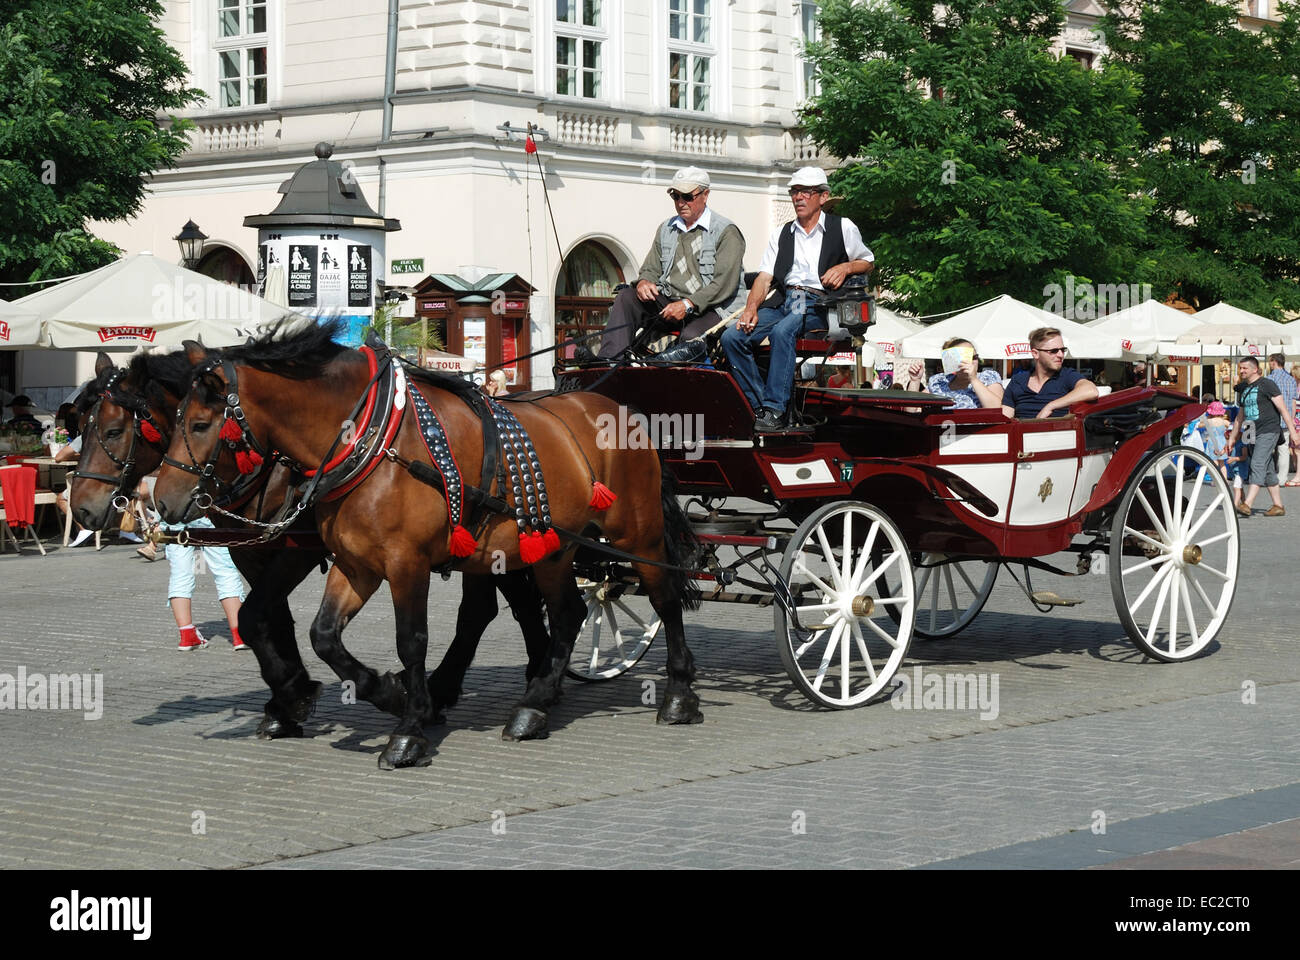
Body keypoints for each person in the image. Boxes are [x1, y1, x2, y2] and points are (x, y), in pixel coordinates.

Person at [722, 166, 874, 431]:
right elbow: (764, 278)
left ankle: (776, 409)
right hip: (783, 301)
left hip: (819, 304)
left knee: (783, 331)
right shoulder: (781, 233)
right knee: (731, 337)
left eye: (805, 192)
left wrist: (845, 267)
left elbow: (867, 261)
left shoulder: (843, 227)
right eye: (794, 191)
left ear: (823, 197)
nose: (797, 197)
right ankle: (760, 407)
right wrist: (750, 308)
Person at [595, 166, 745, 359]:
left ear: (705, 194)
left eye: (687, 196)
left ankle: (671, 379)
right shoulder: (666, 228)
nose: (681, 202)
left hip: (714, 309)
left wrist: (688, 304)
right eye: (675, 196)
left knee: (690, 338)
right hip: (670, 304)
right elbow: (650, 268)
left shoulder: (726, 231)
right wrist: (643, 282)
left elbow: (724, 285)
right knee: (626, 297)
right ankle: (608, 362)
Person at [161, 516, 248, 651]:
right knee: (225, 572)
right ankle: (239, 635)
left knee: (180, 575)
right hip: (206, 515)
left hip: (175, 517)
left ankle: (187, 636)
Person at [1228, 355, 1300, 517]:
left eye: (1245, 368)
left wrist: (1293, 432)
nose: (1241, 371)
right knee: (1267, 469)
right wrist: (1233, 437)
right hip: (1251, 430)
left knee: (1258, 463)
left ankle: (1248, 503)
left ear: (1255, 369)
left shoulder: (1268, 384)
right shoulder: (1244, 388)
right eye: (1240, 368)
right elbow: (1240, 416)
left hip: (1269, 429)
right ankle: (1278, 506)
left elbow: (1283, 409)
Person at [1001, 327, 1099, 419]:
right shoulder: (1018, 380)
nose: (1061, 355)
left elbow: (1091, 391)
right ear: (1035, 353)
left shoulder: (1066, 375)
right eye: (1054, 351)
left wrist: (1050, 406)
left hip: (1057, 435)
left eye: (1062, 350)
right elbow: (1005, 418)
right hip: (1022, 435)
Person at [927, 338, 1004, 409]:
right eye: (965, 358)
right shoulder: (939, 381)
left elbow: (996, 409)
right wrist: (915, 381)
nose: (970, 362)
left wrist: (973, 379)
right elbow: (917, 408)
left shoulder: (988, 377)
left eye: (974, 357)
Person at [1266, 353, 1298, 486]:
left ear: (1273, 362)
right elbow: (1293, 401)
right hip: (1286, 419)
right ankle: (1282, 478)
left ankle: (1269, 476)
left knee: (1268, 448)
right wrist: (1291, 419)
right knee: (1283, 449)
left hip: (1271, 418)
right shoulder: (1291, 379)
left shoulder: (1269, 379)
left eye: (1270, 362)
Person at [1202, 400, 1231, 484]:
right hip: (1222, 441)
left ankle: (1216, 480)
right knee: (1222, 463)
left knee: (1214, 462)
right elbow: (1232, 427)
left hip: (1212, 442)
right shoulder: (1224, 421)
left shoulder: (1209, 421)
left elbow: (1199, 425)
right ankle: (1224, 480)